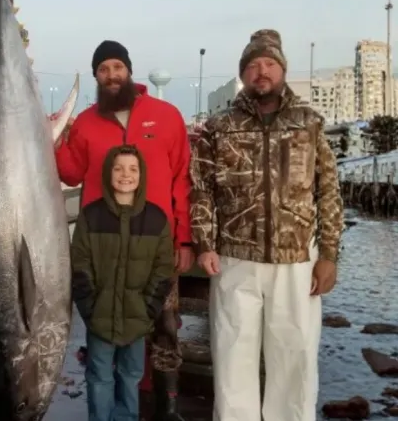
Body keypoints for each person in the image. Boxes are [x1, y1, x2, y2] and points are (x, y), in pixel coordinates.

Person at [190, 29, 344, 421]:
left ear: (282, 70)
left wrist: (328, 255)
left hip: (296, 262)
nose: (262, 71)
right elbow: (201, 190)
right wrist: (204, 242)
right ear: (243, 73)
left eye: (269, 64)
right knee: (232, 359)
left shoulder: (309, 123)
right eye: (253, 65)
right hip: (234, 259)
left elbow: (328, 192)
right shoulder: (219, 126)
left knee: (295, 359)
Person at [56, 40, 193, 420]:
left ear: (129, 71)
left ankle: (162, 406)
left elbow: (183, 179)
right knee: (104, 325)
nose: (111, 75)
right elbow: (69, 172)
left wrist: (184, 238)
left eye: (117, 67)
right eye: (103, 70)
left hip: (155, 246)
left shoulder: (166, 116)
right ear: (97, 76)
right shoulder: (85, 122)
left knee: (162, 327)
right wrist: (59, 138)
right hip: (101, 248)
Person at [71, 145, 175, 421]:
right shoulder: (90, 216)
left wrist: (148, 310)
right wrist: (91, 309)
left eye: (132, 169)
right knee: (99, 377)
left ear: (141, 175)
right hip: (100, 319)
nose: (125, 175)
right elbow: (79, 266)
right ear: (108, 173)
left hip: (138, 320)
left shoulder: (156, 219)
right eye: (118, 168)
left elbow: (163, 271)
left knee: (131, 376)